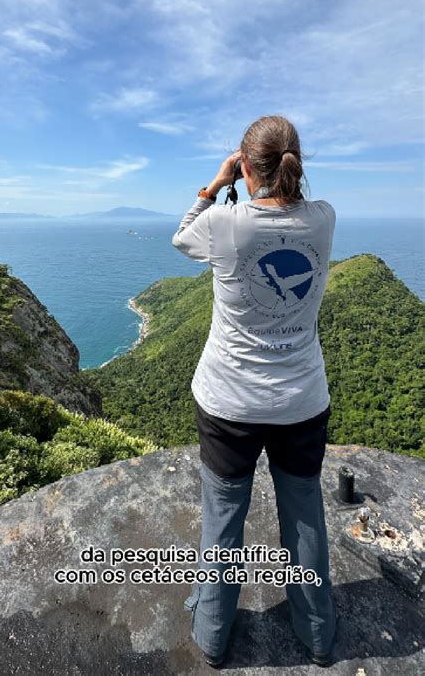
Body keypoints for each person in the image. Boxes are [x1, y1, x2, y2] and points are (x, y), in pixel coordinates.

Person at [171, 114, 337, 669]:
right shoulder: (323, 220)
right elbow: (290, 213)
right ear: (297, 165)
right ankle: (318, 634)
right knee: (305, 516)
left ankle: (214, 638)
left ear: (246, 166)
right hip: (302, 402)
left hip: (228, 404)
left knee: (223, 521)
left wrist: (215, 185)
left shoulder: (226, 224)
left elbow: (181, 237)